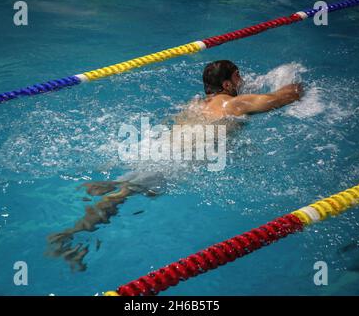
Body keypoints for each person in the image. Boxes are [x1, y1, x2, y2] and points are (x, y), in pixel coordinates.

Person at [46, 60, 304, 271]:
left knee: (126, 186)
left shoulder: (194, 104)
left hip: (158, 150)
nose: (243, 81)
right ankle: (67, 237)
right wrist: (291, 73)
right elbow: (289, 95)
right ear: (227, 84)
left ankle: (103, 190)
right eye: (238, 77)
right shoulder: (232, 103)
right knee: (123, 195)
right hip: (177, 160)